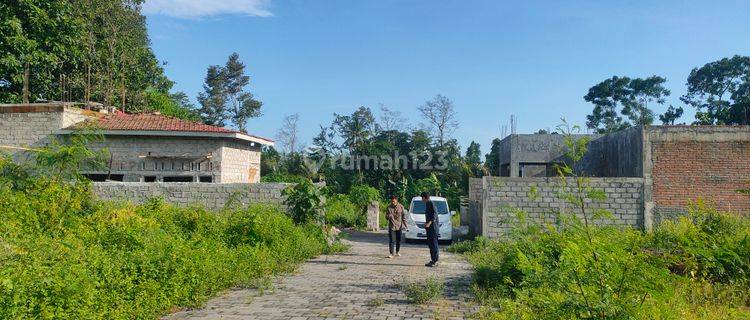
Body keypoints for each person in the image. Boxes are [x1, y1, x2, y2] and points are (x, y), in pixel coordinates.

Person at [421, 191, 439, 267]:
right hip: (429, 228)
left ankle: (435, 261)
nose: (422, 199)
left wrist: (429, 223)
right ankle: (432, 260)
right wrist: (426, 223)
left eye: (422, 198)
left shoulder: (431, 203)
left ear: (424, 197)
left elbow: (435, 215)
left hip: (433, 228)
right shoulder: (427, 204)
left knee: (434, 244)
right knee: (430, 244)